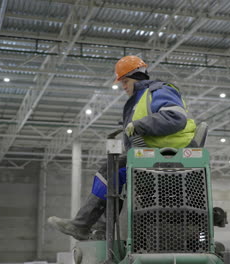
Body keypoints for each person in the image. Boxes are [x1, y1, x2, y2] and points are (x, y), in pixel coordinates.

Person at [47, 55, 196, 240]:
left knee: (110, 170)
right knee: (114, 173)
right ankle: (99, 229)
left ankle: (83, 224)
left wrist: (140, 124)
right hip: (153, 158)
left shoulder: (159, 91)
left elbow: (175, 118)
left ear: (138, 76)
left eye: (125, 81)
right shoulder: (140, 98)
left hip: (169, 158)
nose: (123, 87)